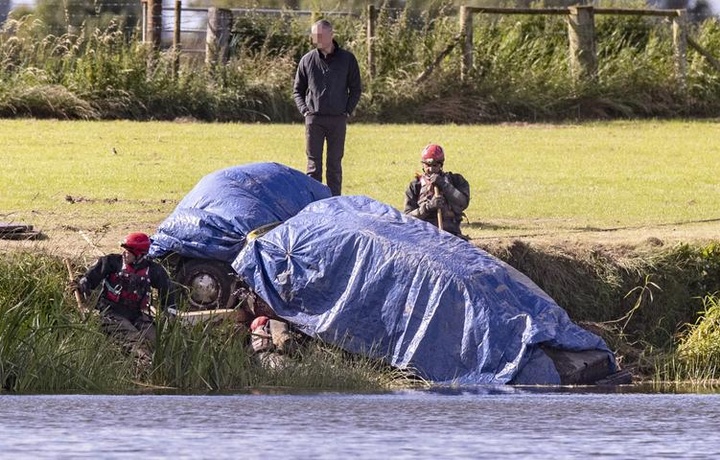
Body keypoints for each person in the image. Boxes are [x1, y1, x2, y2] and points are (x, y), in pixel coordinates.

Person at [77, 232, 176, 359]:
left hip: (137, 314)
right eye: (124, 250)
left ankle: (162, 364)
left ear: (139, 254)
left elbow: (168, 291)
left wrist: (169, 311)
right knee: (136, 340)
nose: (124, 253)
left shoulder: (153, 270)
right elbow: (91, 276)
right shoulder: (112, 262)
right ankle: (144, 363)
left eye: (129, 251)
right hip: (111, 312)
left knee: (157, 340)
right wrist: (84, 282)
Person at [293, 19, 362, 196]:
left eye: (320, 35)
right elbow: (297, 90)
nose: (316, 39)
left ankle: (334, 203)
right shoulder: (307, 60)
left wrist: (347, 110)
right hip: (314, 119)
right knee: (313, 166)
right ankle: (313, 203)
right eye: (314, 36)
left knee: (334, 166)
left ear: (331, 35)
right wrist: (305, 111)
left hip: (338, 120)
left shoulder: (348, 60)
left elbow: (355, 89)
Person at [404, 144, 470, 238]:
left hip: (452, 235)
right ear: (423, 164)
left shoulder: (456, 180)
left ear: (441, 164)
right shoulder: (415, 186)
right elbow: (407, 218)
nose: (431, 169)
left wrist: (444, 185)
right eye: (427, 165)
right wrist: (428, 207)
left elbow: (463, 203)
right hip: (424, 236)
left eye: (435, 165)